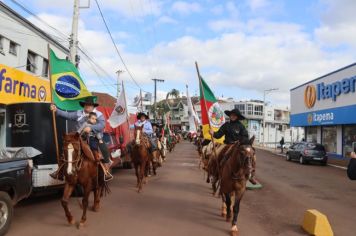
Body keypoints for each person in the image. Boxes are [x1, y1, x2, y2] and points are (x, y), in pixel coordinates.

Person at [49, 97, 111, 180]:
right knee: (68, 150)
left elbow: (102, 125)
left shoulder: (98, 115)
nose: (87, 106)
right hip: (79, 138)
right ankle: (59, 172)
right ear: (84, 105)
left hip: (94, 137)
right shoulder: (78, 113)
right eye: (86, 105)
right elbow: (67, 115)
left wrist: (91, 128)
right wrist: (56, 110)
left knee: (101, 151)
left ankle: (105, 172)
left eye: (89, 105)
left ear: (93, 106)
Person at [209, 108, 257, 184]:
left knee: (252, 156)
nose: (232, 116)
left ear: (237, 117)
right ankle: (216, 175)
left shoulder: (241, 126)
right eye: (231, 115)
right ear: (230, 115)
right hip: (227, 145)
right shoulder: (226, 125)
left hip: (239, 145)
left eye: (234, 115)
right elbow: (218, 135)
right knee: (215, 156)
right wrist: (213, 133)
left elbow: (245, 136)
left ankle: (251, 175)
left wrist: (240, 141)